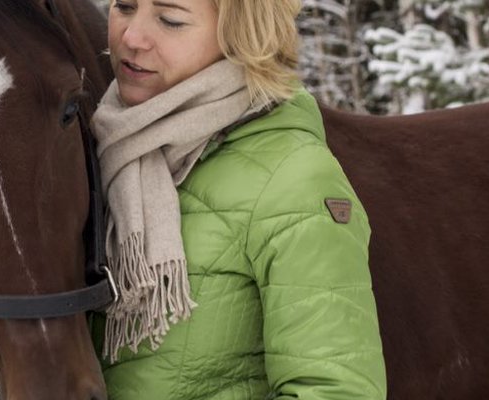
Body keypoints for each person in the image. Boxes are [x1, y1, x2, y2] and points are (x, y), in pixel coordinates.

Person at [90, 0, 387, 399]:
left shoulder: (292, 177)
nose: (131, 37)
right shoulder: (90, 147)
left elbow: (335, 391)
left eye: (170, 20)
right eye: (124, 6)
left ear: (242, 35)